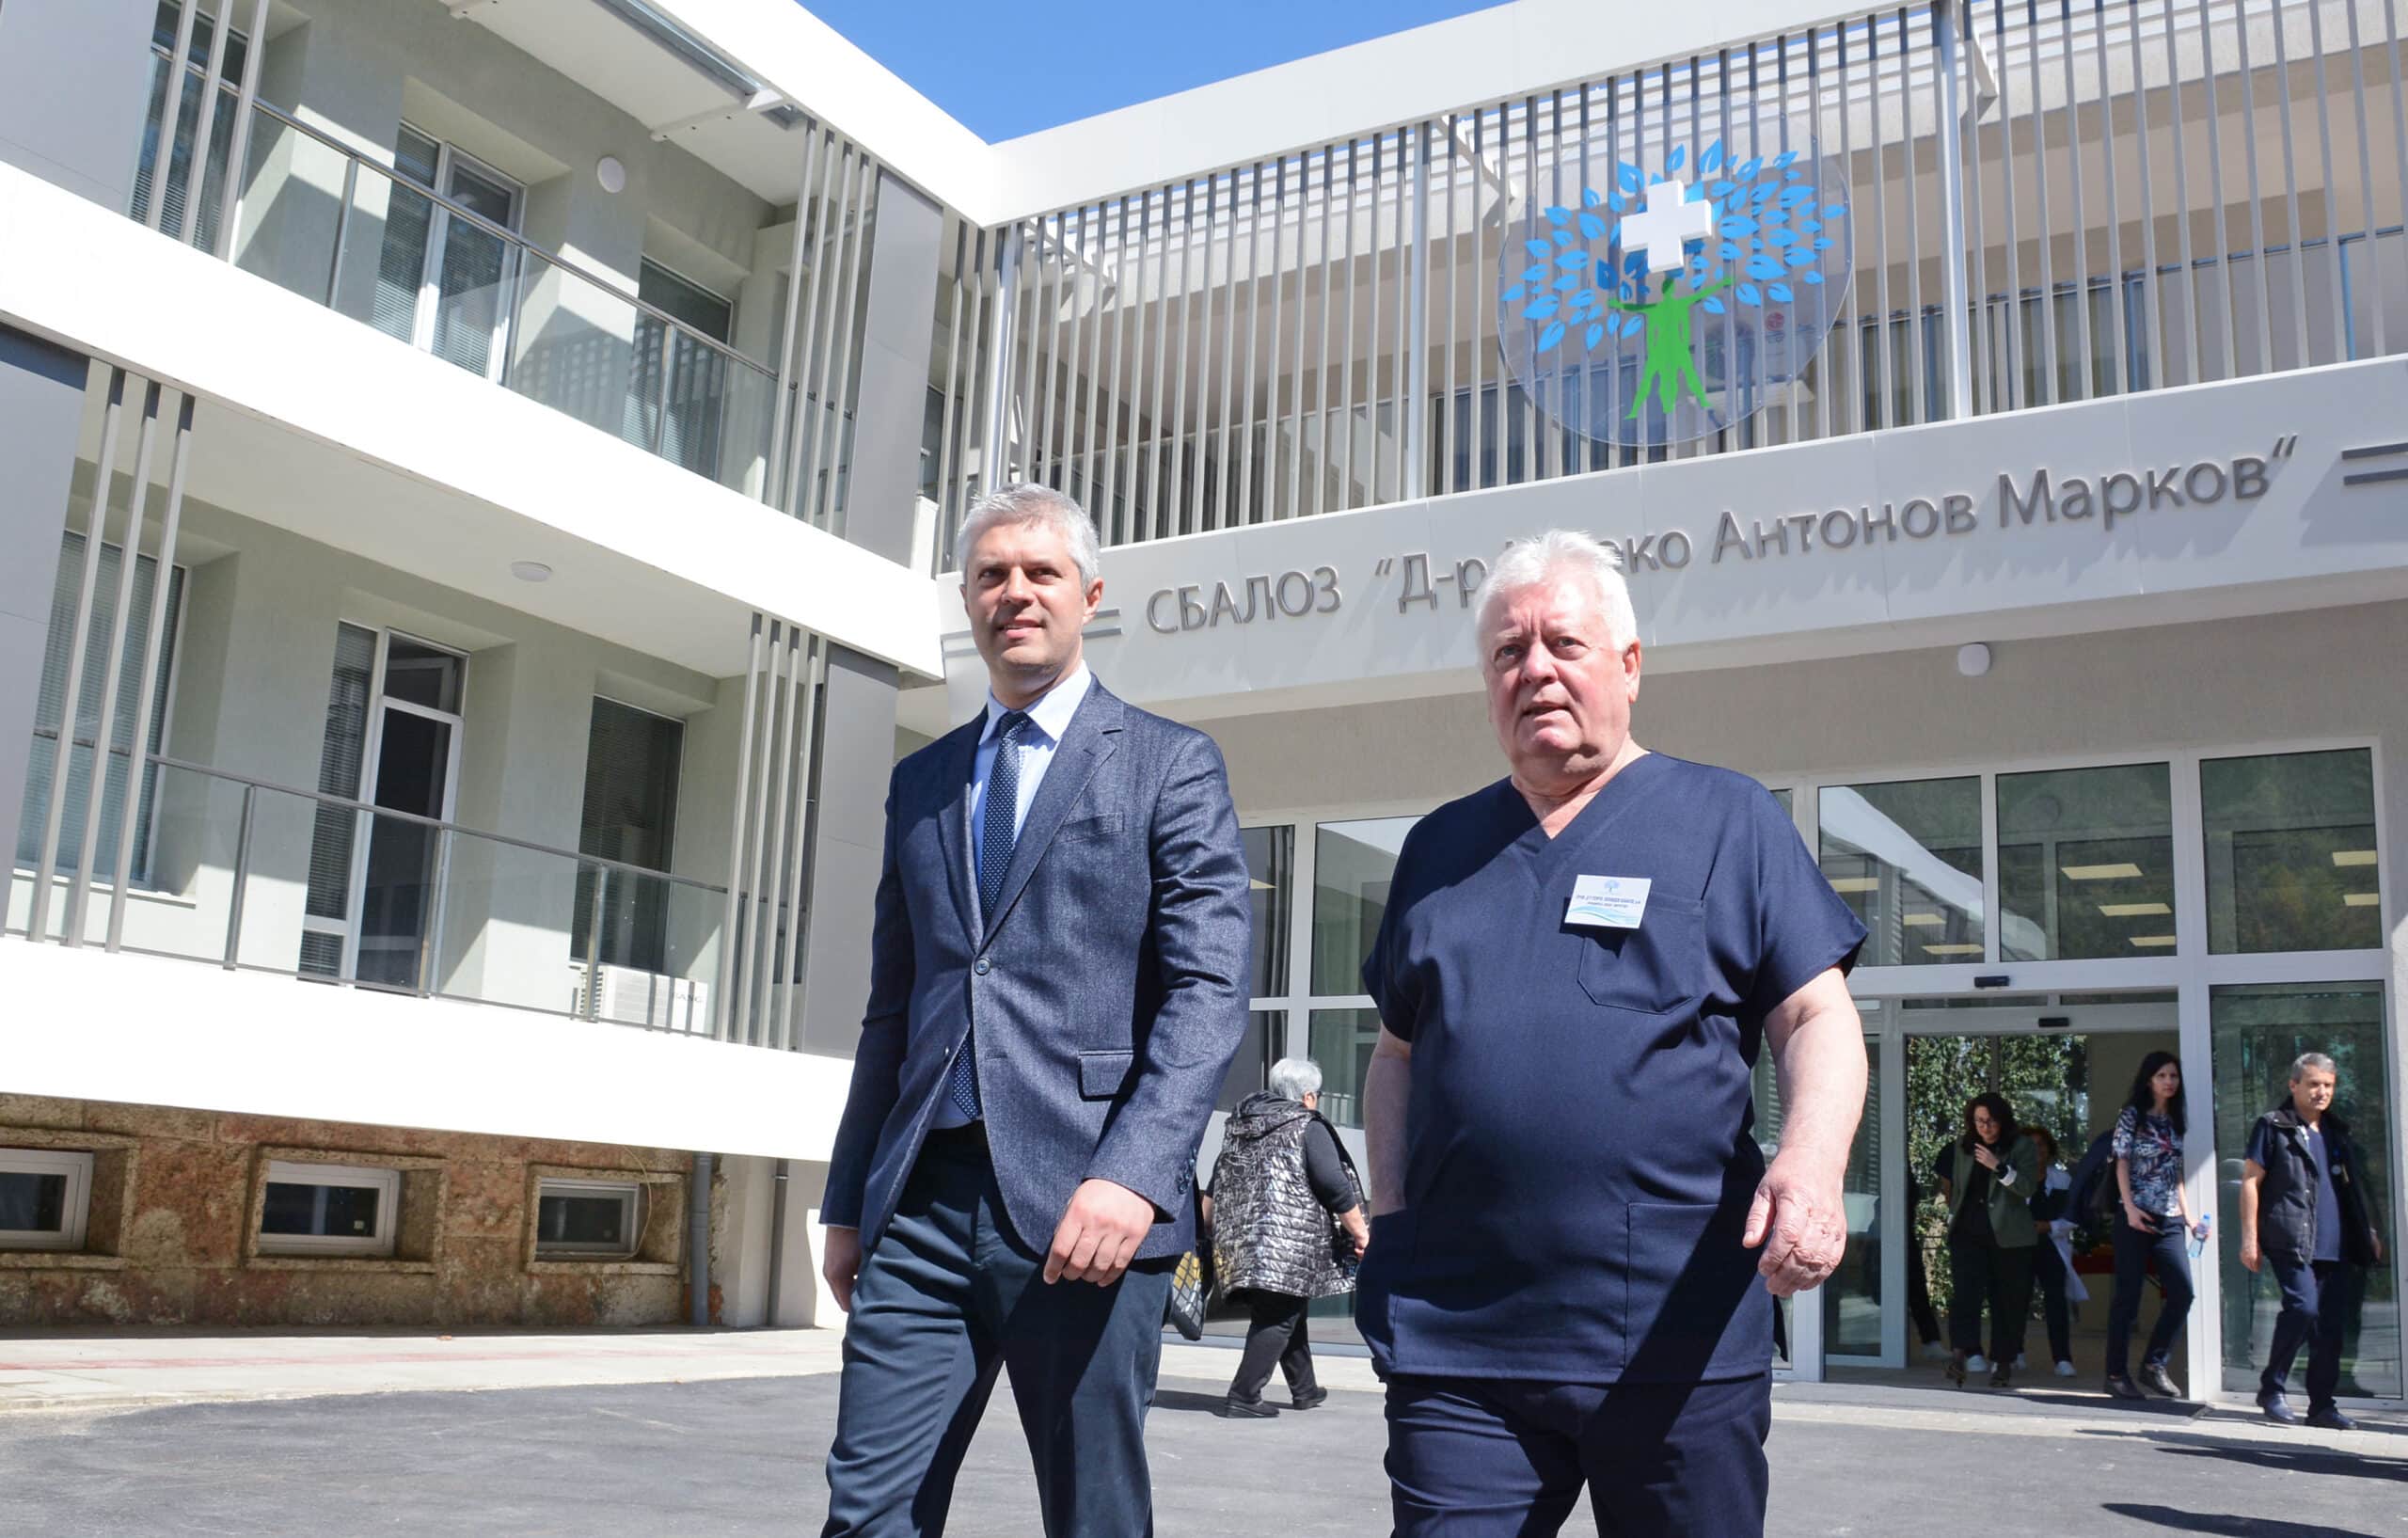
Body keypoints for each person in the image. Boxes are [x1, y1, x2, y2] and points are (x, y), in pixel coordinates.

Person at [1358, 531, 1868, 1538]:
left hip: (1675, 1333)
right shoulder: (1438, 848)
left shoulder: (1726, 819)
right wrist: (1392, 1213)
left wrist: (1810, 1168)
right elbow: (1395, 1055)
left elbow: (1817, 1016)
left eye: (1564, 643)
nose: (1535, 669)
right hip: (1462, 1343)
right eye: (1509, 652)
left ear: (1629, 666)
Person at [816, 484, 1252, 1537]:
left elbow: (1207, 991)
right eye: (990, 575)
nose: (1014, 592)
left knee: (1093, 1518)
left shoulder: (1169, 763)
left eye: (1039, 572)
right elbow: (892, 1010)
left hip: (1087, 1207)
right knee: (867, 1513)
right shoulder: (922, 783)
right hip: (921, 1207)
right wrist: (848, 1199)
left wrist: (1133, 1174)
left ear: (1088, 596)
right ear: (968, 600)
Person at [1205, 1056, 1370, 1418]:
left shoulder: (1241, 1126)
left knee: (1287, 1309)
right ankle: (1244, 1396)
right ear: (1308, 1096)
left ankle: (1305, 1390)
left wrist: (1206, 1231)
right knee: (1278, 1317)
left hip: (1244, 1240)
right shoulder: (1306, 1126)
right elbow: (1334, 1185)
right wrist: (1361, 1234)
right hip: (1290, 1240)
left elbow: (1217, 1180)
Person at [2242, 1052, 2388, 1431]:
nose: (2321, 1092)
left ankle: (2322, 1406)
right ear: (2294, 1085)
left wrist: (2368, 1230)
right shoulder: (2273, 1126)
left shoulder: (2337, 1131)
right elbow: (2251, 1182)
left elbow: (2352, 1188)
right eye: (2313, 1084)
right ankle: (2272, 1387)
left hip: (2336, 1243)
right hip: (2290, 1238)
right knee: (2303, 1308)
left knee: (2330, 1328)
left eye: (2328, 1085)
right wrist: (2249, 1238)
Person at [2103, 1051, 2206, 1403]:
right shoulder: (2132, 1115)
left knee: (2182, 1292)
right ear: (2149, 1080)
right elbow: (2121, 1162)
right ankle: (2116, 1374)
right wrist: (2130, 1208)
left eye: (2173, 1076)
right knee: (2127, 1297)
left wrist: (2189, 1216)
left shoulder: (2175, 1119)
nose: (2169, 1081)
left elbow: (2174, 1171)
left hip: (2170, 1216)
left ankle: (2154, 1364)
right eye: (2162, 1075)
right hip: (2135, 1215)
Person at [1932, 1094, 2040, 1388]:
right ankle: (1959, 1355)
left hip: (2010, 1238)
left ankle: (2003, 1362)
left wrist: (1999, 1167)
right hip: (1968, 1232)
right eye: (1979, 1121)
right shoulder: (1963, 1147)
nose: (1985, 1127)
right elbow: (1954, 1186)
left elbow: (2027, 1186)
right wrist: (1952, 1214)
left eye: (1991, 1121)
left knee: (2006, 1302)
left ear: (2002, 1120)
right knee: (1964, 1296)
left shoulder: (2021, 1146)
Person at [2022, 1125, 2086, 1379]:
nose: (2036, 1150)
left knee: (2056, 1303)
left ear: (2048, 1149)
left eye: (2040, 1144)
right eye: (2029, 1145)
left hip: (2052, 1246)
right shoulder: (2012, 1180)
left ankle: (2062, 1358)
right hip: (2020, 1247)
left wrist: (2050, 1226)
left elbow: (2074, 1216)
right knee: (2016, 1301)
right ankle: (2013, 1353)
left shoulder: (2062, 1180)